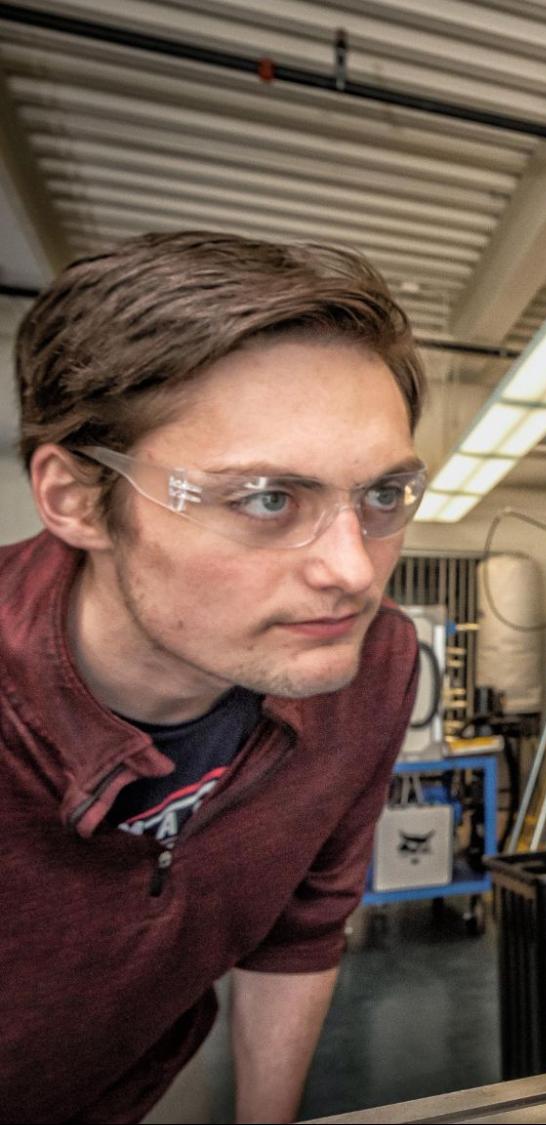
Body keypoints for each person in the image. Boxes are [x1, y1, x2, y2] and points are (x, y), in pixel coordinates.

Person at [0, 231, 430, 1122]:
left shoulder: (366, 666)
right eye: (269, 499)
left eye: (382, 497)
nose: (353, 571)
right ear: (75, 498)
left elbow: (302, 927)